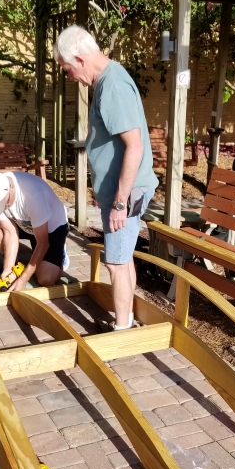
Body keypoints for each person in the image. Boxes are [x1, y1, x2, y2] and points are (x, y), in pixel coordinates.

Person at [54, 25, 159, 331]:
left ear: (80, 59)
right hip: (119, 191)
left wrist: (119, 204)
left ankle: (122, 330)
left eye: (68, 69)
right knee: (122, 258)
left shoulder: (112, 85)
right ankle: (128, 320)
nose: (70, 76)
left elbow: (135, 146)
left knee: (115, 263)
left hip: (123, 194)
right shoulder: (108, 80)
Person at [0, 171, 70, 292]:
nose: (3, 207)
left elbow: (43, 243)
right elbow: (10, 231)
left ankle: (60, 256)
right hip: (24, 224)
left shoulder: (33, 195)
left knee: (46, 279)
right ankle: (14, 264)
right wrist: (8, 269)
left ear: (11, 187)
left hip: (50, 228)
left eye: (5, 202)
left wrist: (23, 279)